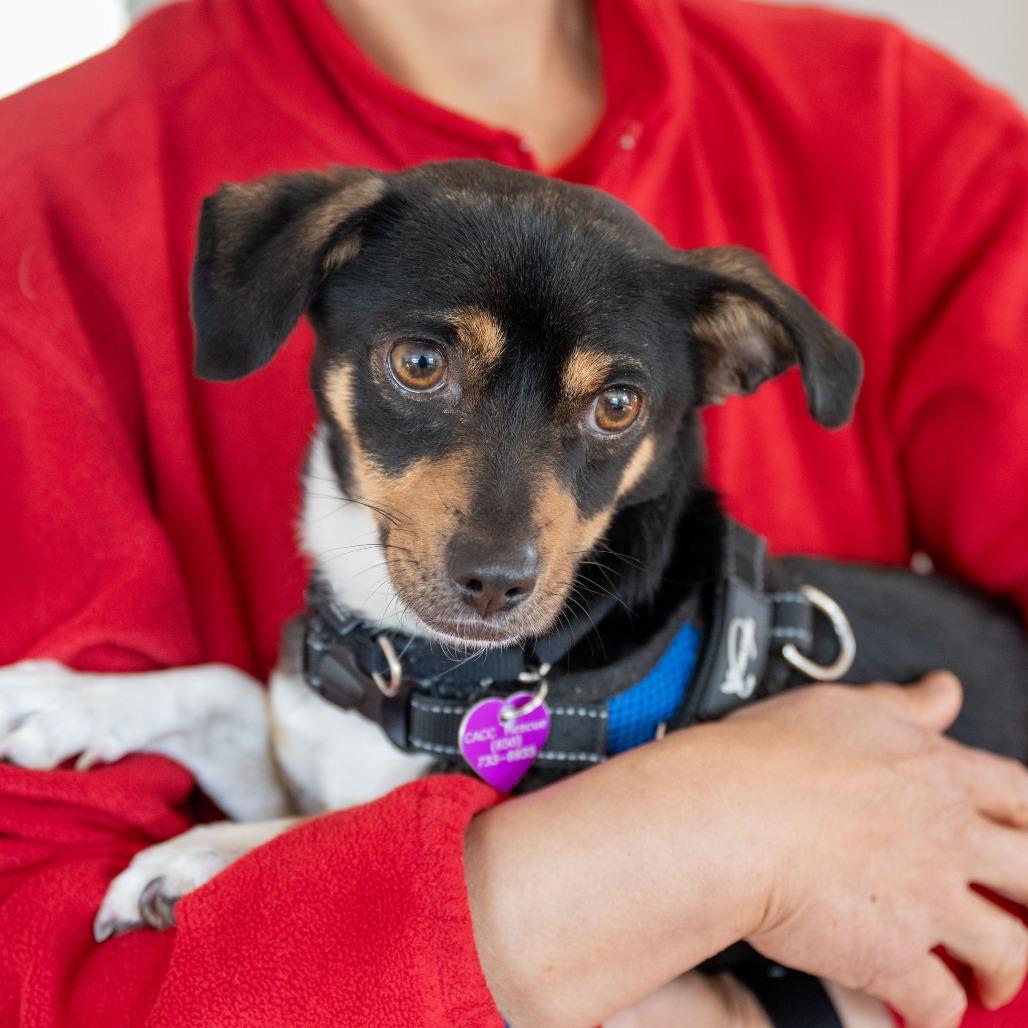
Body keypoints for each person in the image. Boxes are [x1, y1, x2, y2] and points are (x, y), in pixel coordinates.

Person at [1, 0, 1026, 1025]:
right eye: (423, 364)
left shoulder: (900, 129)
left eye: (610, 407)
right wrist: (715, 840)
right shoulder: (45, 194)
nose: (500, 551)